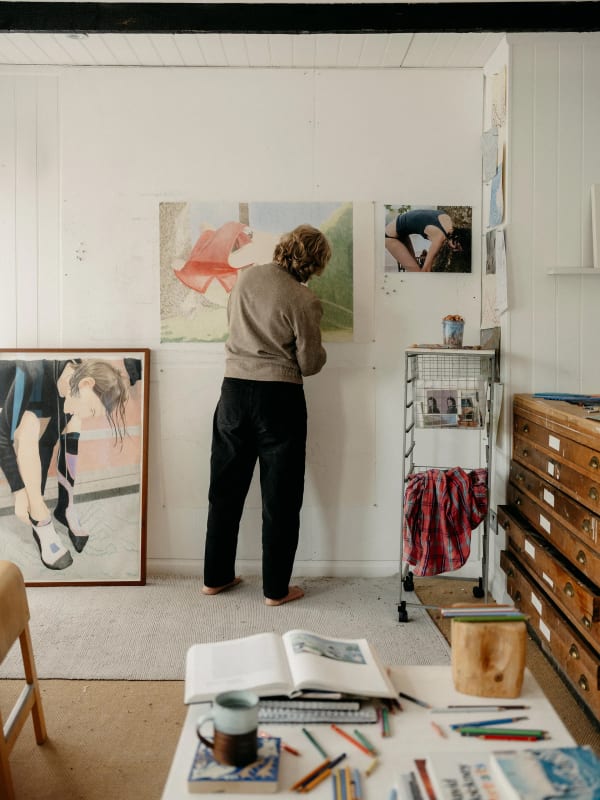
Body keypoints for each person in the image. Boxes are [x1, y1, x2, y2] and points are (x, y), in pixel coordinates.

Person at [202, 224, 332, 606]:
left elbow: (234, 326)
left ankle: (215, 577)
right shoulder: (304, 299)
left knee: (224, 490)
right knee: (281, 497)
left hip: (233, 393)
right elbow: (309, 363)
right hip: (280, 399)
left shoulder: (245, 278)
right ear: (315, 263)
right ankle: (276, 590)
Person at [0, 359, 132, 570]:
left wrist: (36, 496)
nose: (88, 415)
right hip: (5, 410)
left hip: (20, 412)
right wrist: (19, 492)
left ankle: (63, 507)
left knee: (71, 420)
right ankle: (42, 521)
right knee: (29, 424)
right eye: (91, 409)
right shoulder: (30, 372)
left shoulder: (70, 380)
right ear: (86, 383)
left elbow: (47, 443)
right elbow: (2, 437)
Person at [385, 208, 468, 272]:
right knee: (418, 274)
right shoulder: (439, 237)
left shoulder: (448, 221)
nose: (454, 250)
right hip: (390, 237)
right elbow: (426, 270)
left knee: (415, 268)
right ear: (456, 239)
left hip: (400, 229)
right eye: (456, 247)